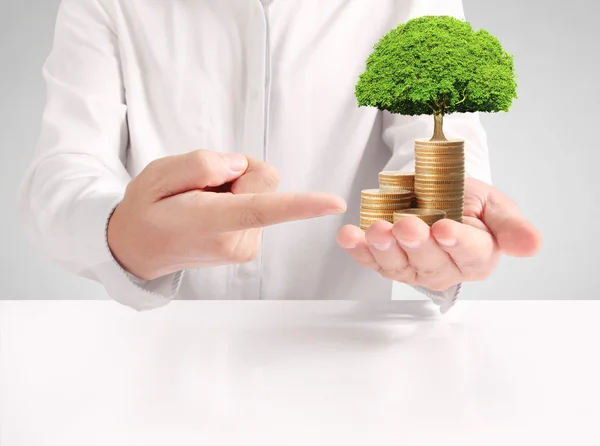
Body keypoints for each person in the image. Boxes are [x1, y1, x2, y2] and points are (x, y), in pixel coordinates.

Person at [19, 0, 541, 312]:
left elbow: (439, 141)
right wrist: (120, 232)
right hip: (164, 370)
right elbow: (63, 172)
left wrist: (442, 224)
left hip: (351, 375)